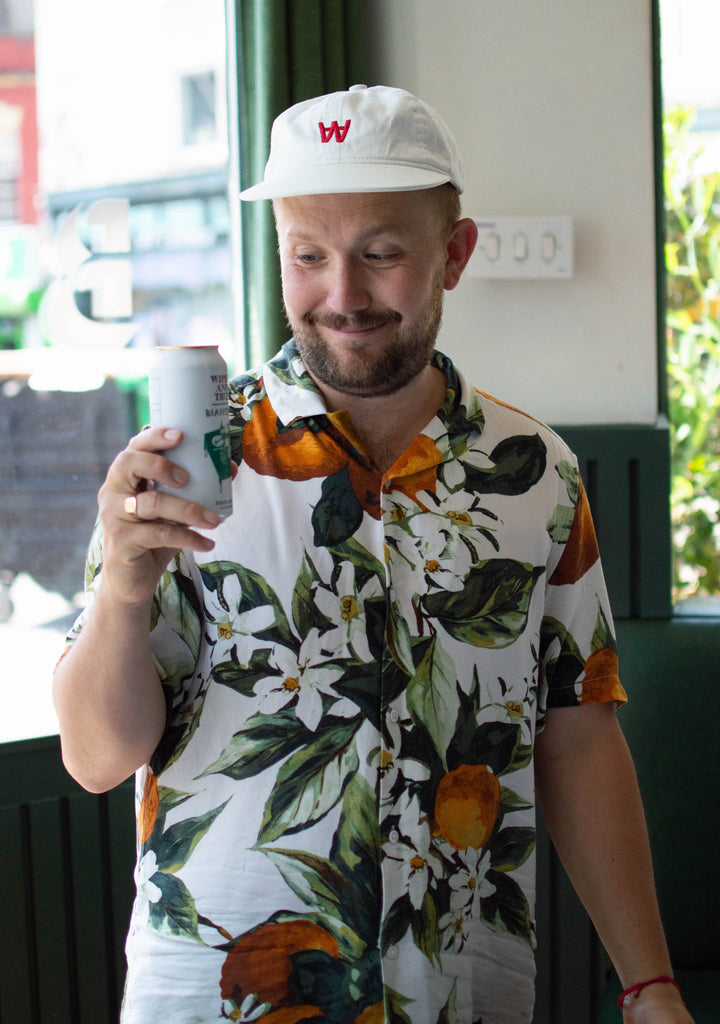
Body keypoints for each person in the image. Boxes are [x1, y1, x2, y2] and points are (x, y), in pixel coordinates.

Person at [53, 85, 693, 1024]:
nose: (342, 296)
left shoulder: (536, 476)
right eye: (307, 257)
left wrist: (650, 986)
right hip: (217, 997)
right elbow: (98, 759)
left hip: (463, 990)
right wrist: (121, 590)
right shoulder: (185, 464)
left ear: (455, 253)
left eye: (382, 255)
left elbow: (581, 737)